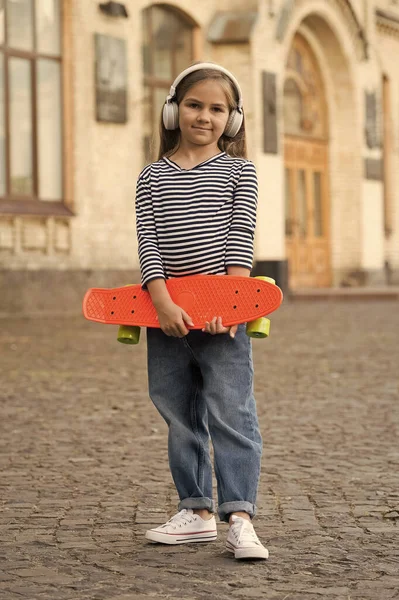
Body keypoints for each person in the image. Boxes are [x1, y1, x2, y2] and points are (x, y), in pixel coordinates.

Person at [135, 62, 268, 560]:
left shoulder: (240, 172)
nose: (204, 116)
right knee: (179, 414)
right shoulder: (151, 177)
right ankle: (196, 512)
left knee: (232, 414)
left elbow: (240, 243)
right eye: (194, 105)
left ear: (232, 120)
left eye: (217, 109)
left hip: (223, 323)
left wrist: (230, 306)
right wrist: (163, 303)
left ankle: (240, 516)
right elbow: (149, 249)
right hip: (165, 319)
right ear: (173, 110)